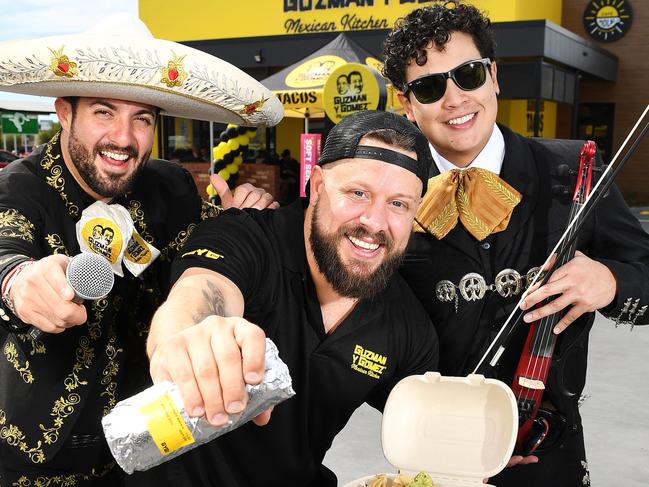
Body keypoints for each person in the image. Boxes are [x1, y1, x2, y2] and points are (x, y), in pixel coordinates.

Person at [0, 15, 283, 486]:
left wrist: (242, 217)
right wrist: (18, 282)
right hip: (29, 459)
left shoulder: (171, 187)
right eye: (103, 112)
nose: (124, 139)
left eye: (142, 119)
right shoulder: (16, 189)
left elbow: (208, 256)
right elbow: (5, 253)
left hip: (150, 447)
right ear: (65, 113)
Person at [382, 4, 649, 487]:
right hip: (433, 453)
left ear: (494, 76)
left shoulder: (574, 172)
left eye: (467, 74)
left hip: (549, 451)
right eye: (429, 86)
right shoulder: (390, 191)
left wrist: (610, 281)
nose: (455, 99)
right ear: (407, 104)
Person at [144, 110, 439, 487]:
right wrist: (187, 335)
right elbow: (201, 291)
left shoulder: (406, 322)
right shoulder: (248, 237)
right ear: (317, 186)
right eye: (358, 193)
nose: (376, 222)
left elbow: (432, 429)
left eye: (399, 204)